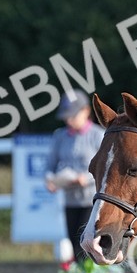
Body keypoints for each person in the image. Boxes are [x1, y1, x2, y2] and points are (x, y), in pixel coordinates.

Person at [45, 89, 105, 262]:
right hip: (70, 199)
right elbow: (50, 166)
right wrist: (51, 180)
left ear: (86, 111)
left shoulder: (98, 135)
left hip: (93, 201)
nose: (68, 120)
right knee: (74, 243)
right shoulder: (60, 137)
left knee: (91, 243)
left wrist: (85, 179)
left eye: (72, 115)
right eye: (66, 116)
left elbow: (106, 170)